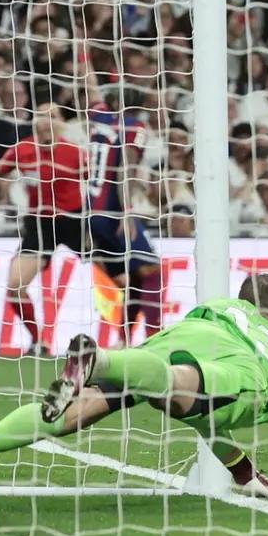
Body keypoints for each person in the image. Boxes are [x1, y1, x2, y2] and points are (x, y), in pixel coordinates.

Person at [0, 274, 268, 511]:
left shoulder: (218, 307)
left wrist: (241, 469)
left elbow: (201, 417)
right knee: (179, 385)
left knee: (74, 412)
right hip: (241, 370)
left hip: (176, 339)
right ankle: (103, 359)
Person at [0, 104, 89, 356]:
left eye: (51, 116)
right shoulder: (23, 149)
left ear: (62, 122)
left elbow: (97, 185)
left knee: (119, 278)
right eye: (41, 116)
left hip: (74, 221)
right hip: (39, 223)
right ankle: (39, 341)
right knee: (14, 285)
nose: (45, 121)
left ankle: (126, 335)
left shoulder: (75, 153)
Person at [80, 54, 164, 342]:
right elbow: (124, 169)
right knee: (153, 270)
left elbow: (90, 86)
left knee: (134, 278)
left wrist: (83, 52)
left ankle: (124, 340)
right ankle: (155, 337)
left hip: (90, 214)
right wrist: (127, 209)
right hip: (113, 212)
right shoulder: (134, 127)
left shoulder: (99, 116)